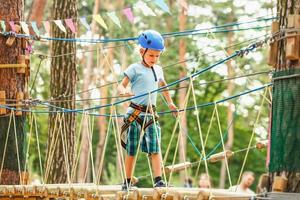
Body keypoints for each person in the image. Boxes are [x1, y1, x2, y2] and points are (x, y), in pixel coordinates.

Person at [117, 30, 178, 191]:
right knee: (132, 148)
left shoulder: (158, 70)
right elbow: (121, 85)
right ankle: (127, 181)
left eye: (157, 56)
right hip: (135, 113)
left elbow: (163, 86)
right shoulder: (134, 68)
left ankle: (158, 180)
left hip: (151, 114)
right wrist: (123, 91)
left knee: (155, 148)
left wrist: (170, 103)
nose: (154, 59)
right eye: (151, 55)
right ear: (142, 51)